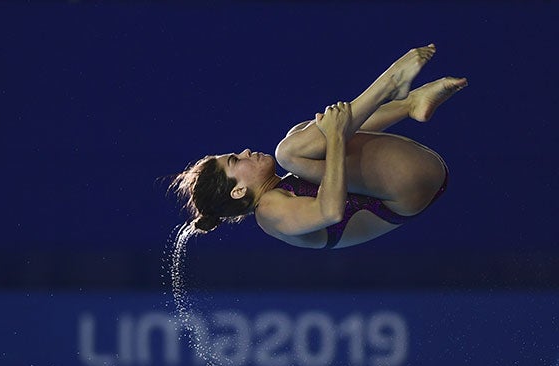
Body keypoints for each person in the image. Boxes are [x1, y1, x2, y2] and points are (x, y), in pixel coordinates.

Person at [170, 44, 467, 249]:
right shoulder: (268, 213)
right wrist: (335, 137)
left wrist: (335, 135)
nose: (246, 151)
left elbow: (347, 137)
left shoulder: (286, 183)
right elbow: (330, 212)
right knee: (290, 151)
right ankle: (390, 84)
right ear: (238, 191)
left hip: (410, 181)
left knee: (298, 139)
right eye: (235, 160)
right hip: (405, 188)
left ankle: (408, 102)